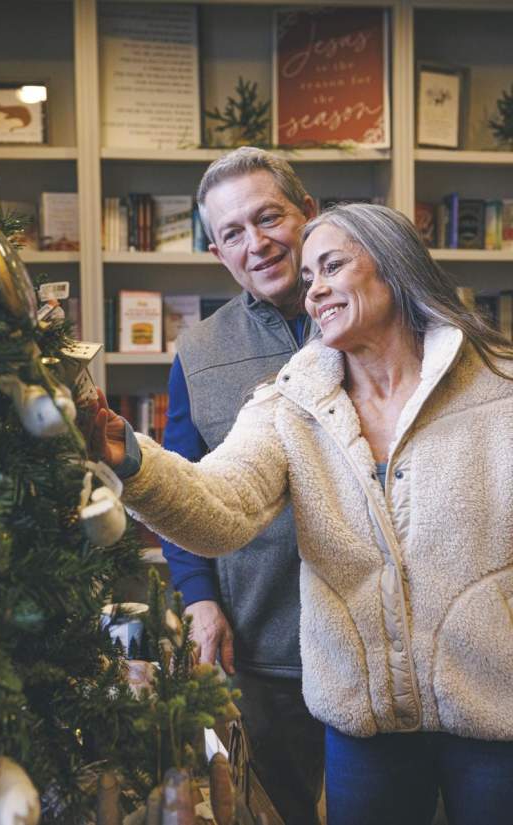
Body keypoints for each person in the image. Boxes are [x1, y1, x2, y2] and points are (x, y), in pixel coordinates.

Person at [93, 203, 513, 825]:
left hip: (495, 714)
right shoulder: (291, 403)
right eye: (309, 275)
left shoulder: (499, 387)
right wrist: (127, 456)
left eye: (332, 267)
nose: (313, 289)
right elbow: (219, 509)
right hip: (363, 724)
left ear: (394, 268)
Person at [161, 147, 323, 824]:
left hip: (387, 643)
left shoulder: (378, 318)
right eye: (233, 233)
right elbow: (179, 488)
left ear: (308, 213)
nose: (256, 244)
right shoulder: (196, 353)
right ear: (215, 249)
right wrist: (199, 599)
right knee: (279, 806)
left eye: (269, 217)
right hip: (266, 645)